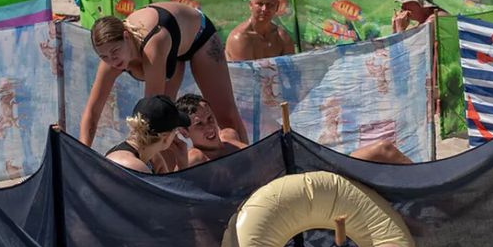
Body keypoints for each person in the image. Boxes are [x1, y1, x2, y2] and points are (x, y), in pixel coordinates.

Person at [80, 2, 247, 148]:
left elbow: (152, 111)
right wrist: (82, 153)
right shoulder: (110, 58)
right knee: (164, 134)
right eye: (104, 57)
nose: (112, 60)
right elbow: (92, 112)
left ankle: (252, 167)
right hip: (172, 46)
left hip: (198, 35)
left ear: (126, 37)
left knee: (227, 117)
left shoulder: (153, 46)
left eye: (115, 52)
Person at [176, 93, 411, 168]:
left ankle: (436, 196)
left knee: (384, 149)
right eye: (199, 124)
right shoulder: (196, 159)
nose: (209, 127)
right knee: (383, 151)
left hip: (297, 170)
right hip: (285, 195)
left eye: (209, 119)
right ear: (184, 133)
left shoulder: (229, 136)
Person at [105, 95, 190, 174]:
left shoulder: (150, 159)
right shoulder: (133, 166)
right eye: (175, 131)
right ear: (166, 137)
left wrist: (182, 164)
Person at [225, 0, 295, 62]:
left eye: (269, 5)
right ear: (251, 5)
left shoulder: (282, 38)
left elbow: (290, 71)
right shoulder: (240, 38)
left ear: (277, 7)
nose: (264, 9)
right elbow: (244, 73)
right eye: (260, 4)